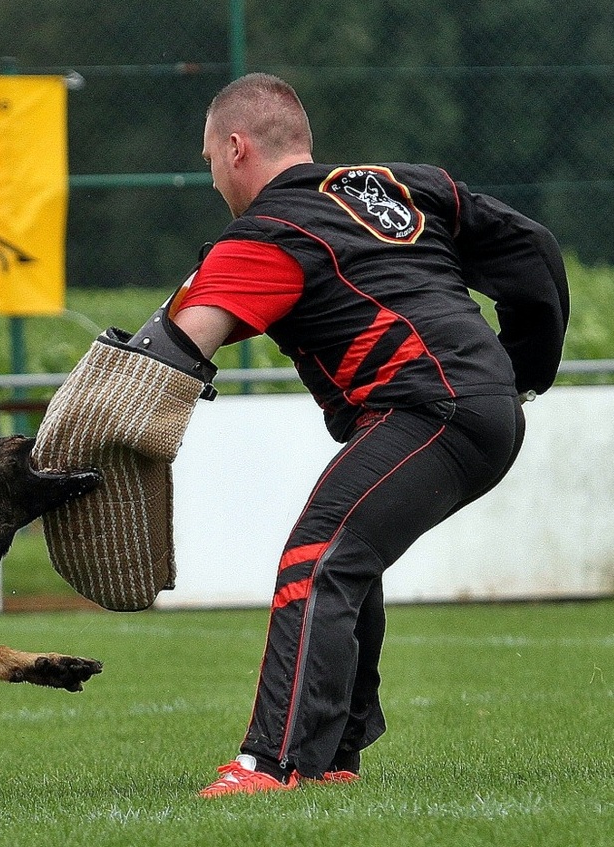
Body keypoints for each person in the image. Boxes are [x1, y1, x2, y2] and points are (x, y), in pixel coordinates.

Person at [168, 73, 569, 797]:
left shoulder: (263, 232)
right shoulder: (403, 186)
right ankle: (332, 755)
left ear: (235, 149)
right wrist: (520, 370)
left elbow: (177, 349)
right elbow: (533, 249)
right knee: (348, 554)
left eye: (207, 161)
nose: (213, 178)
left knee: (318, 555)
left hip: (429, 411)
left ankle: (273, 762)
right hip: (471, 405)